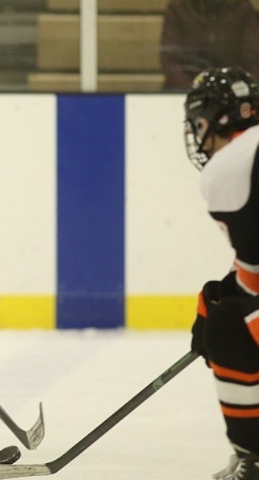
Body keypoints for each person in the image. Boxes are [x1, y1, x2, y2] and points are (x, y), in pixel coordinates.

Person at [184, 66, 259, 479]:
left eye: (199, 123)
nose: (199, 134)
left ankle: (254, 455)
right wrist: (226, 287)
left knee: (229, 325)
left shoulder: (229, 166)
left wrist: (221, 305)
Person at [160, 0, 259, 91]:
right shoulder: (179, 7)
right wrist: (194, 91)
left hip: (232, 90)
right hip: (184, 90)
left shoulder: (241, 8)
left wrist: (235, 90)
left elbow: (253, 62)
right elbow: (171, 61)